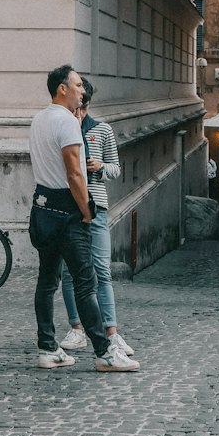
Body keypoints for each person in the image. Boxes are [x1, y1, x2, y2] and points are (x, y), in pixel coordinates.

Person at [28, 63, 139, 372]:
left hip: (41, 206)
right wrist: (86, 211)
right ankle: (104, 352)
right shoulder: (67, 122)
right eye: (77, 85)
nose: (82, 90)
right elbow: (75, 173)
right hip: (67, 209)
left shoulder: (39, 119)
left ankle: (48, 347)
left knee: (47, 281)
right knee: (85, 282)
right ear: (62, 88)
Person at [58, 79, 134, 357]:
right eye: (78, 105)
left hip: (97, 205)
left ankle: (111, 331)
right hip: (68, 206)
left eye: (84, 105)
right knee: (69, 272)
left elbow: (116, 169)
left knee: (102, 271)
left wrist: (100, 167)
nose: (80, 111)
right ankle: (76, 328)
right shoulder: (61, 126)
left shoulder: (102, 130)